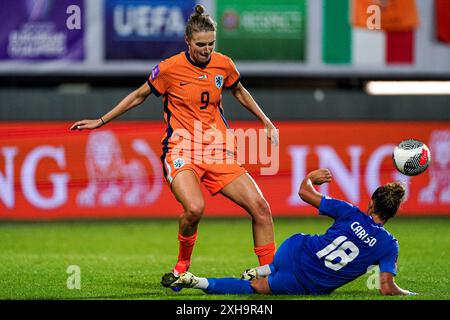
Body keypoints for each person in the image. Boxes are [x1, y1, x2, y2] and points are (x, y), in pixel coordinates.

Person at [69, 5, 278, 289]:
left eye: (211, 44)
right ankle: (182, 266)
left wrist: (265, 120)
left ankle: (271, 274)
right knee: (194, 209)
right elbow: (139, 95)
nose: (207, 50)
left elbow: (238, 89)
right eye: (201, 44)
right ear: (188, 42)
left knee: (261, 208)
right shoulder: (169, 68)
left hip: (216, 149)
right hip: (181, 150)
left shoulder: (224, 64)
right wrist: (101, 120)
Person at [169, 168, 417, 296]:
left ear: (371, 203)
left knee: (282, 262)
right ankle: (199, 282)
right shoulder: (388, 245)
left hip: (293, 249)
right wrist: (409, 293)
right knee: (254, 289)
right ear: (393, 214)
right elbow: (386, 288)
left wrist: (311, 177)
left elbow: (304, 193)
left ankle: (267, 267)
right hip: (305, 282)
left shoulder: (350, 211)